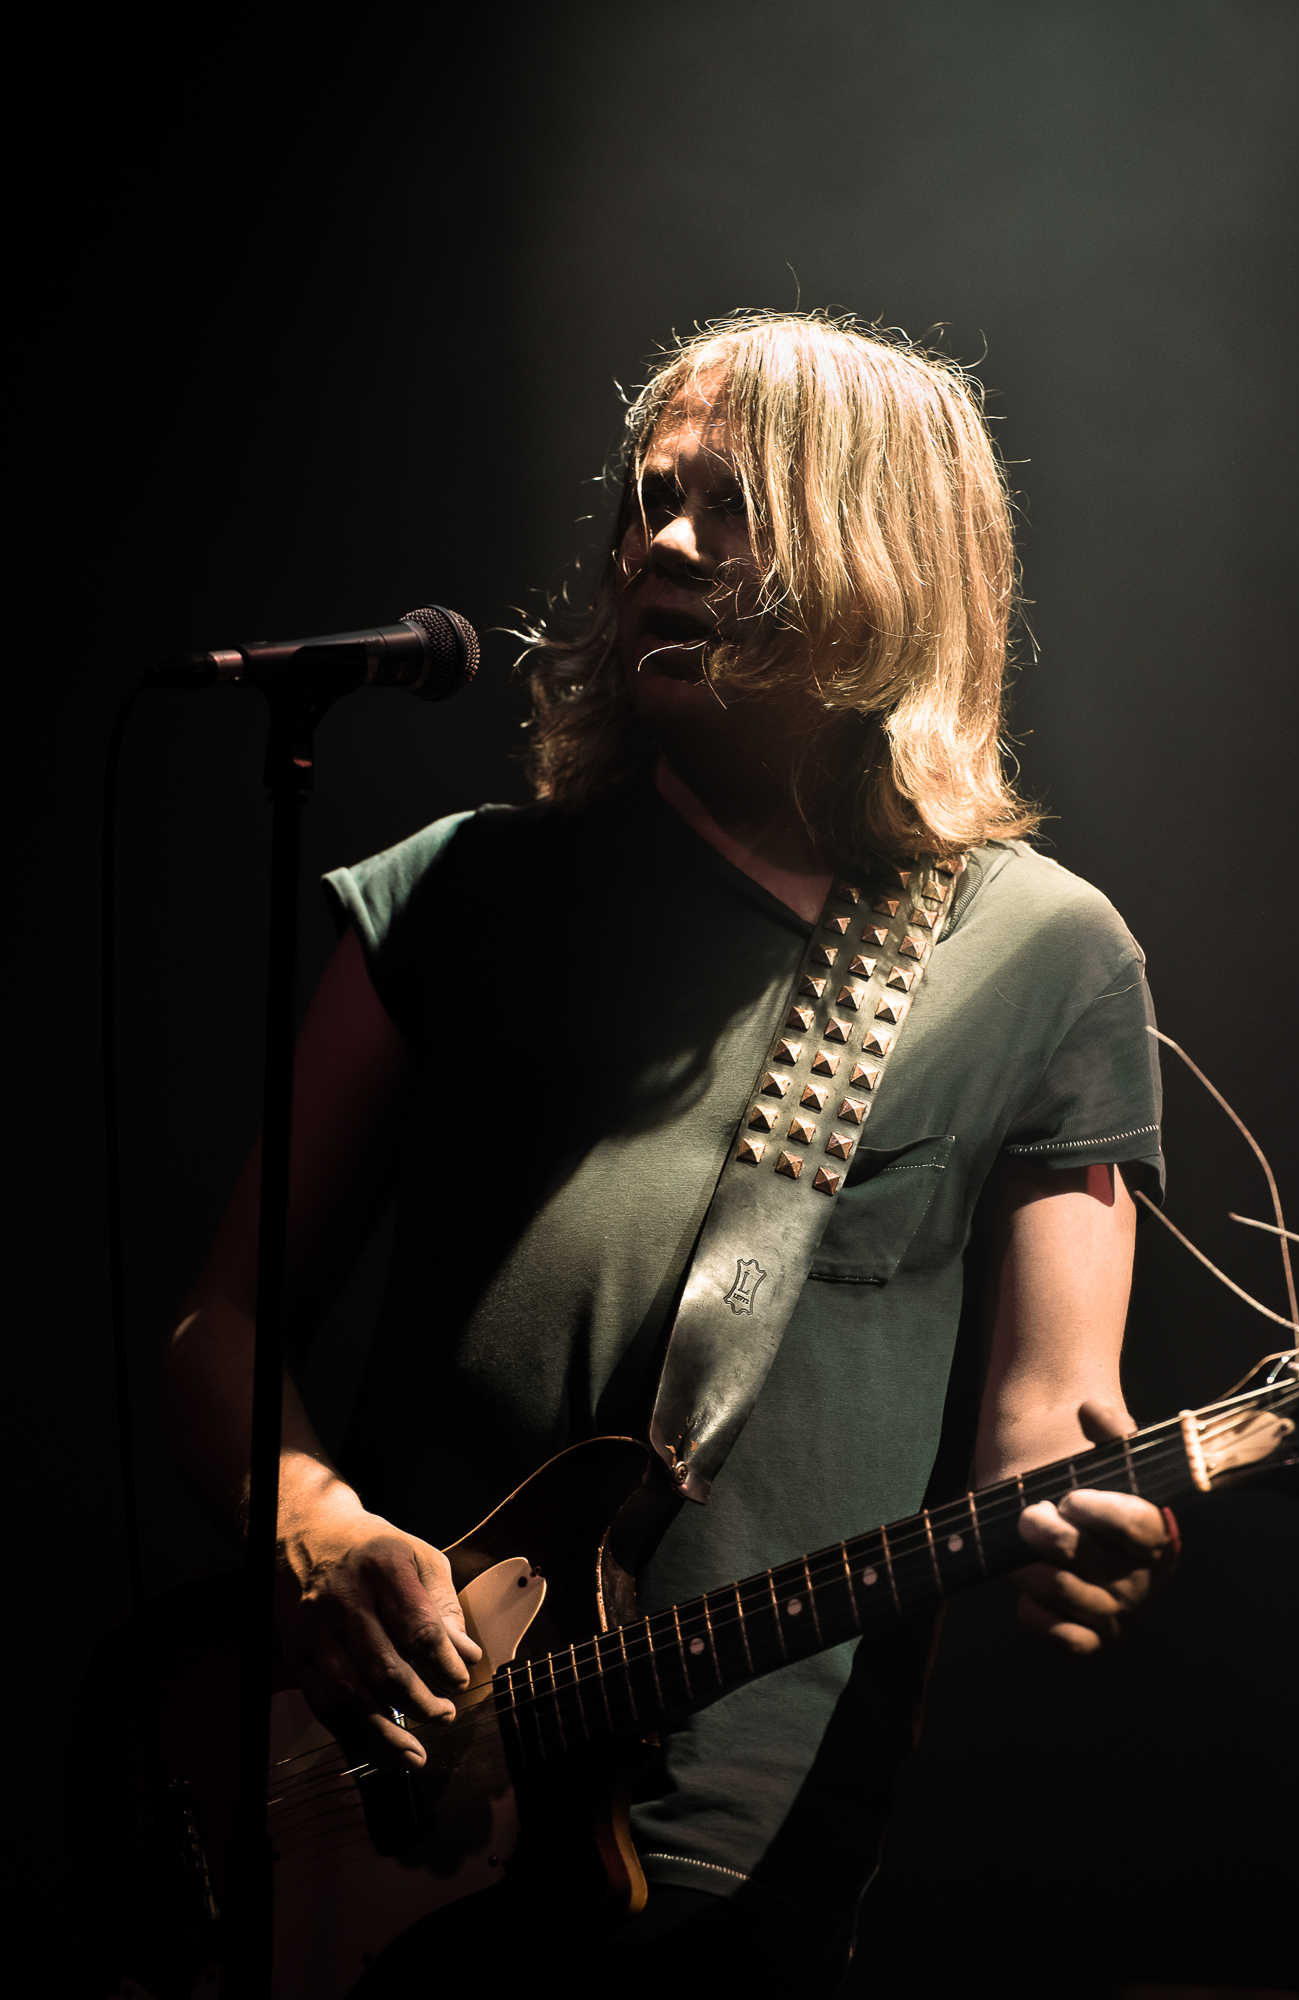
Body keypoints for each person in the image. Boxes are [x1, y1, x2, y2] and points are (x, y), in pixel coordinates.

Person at [162, 313, 1176, 1993]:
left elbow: (1050, 1421)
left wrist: (1087, 1526)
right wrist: (315, 1533)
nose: (666, 546)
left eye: (734, 507)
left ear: (886, 552)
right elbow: (223, 1323)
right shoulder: (463, 888)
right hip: (387, 1786)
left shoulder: (1043, 954)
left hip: (733, 1846)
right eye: (650, 502)